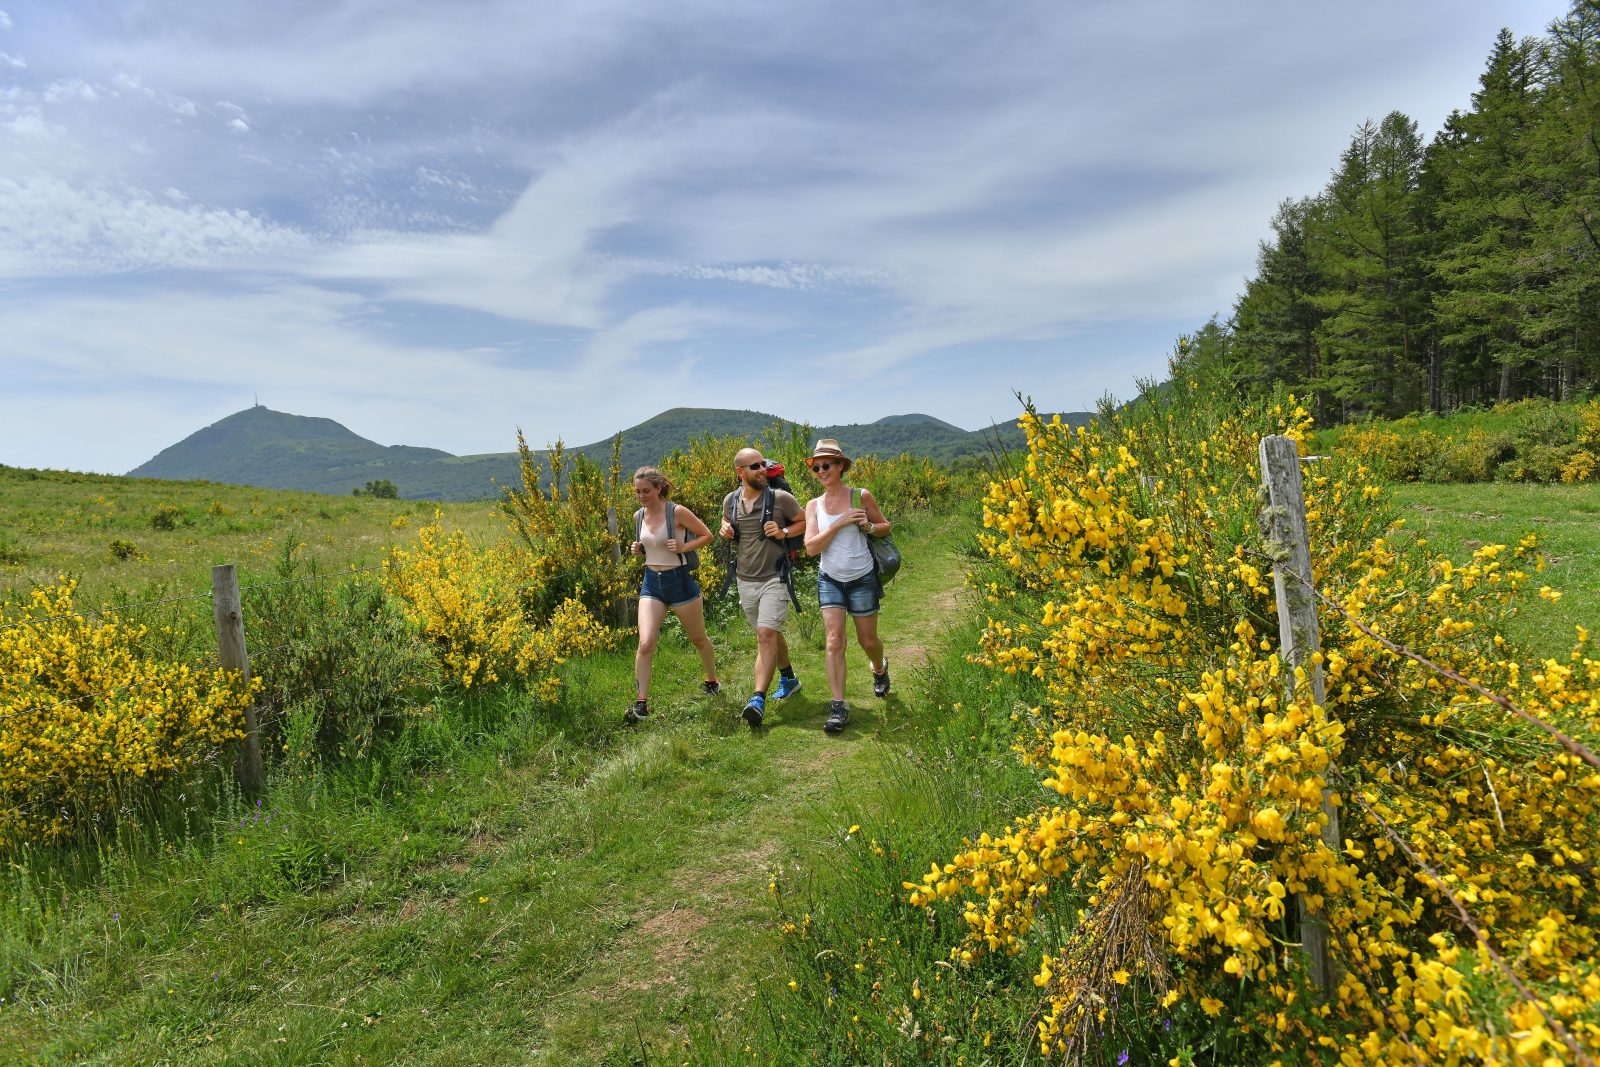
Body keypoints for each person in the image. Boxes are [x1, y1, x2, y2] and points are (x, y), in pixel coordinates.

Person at [801, 439, 891, 734]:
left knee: (868, 641)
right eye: (817, 467)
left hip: (862, 577)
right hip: (830, 580)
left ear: (841, 466)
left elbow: (885, 527)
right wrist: (838, 523)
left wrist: (867, 526)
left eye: (827, 465)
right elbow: (811, 548)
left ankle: (879, 667)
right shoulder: (813, 505)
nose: (821, 471)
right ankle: (838, 705)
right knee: (835, 641)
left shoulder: (860, 496)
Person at [718, 446, 806, 728]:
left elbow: (805, 520)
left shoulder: (781, 498)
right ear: (740, 472)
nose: (761, 470)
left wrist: (785, 532)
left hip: (774, 578)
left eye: (763, 465)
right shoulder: (730, 501)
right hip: (745, 580)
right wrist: (724, 528)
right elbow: (727, 524)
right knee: (769, 633)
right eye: (754, 466)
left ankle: (757, 699)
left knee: (766, 635)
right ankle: (789, 678)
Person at [626, 467, 719, 724]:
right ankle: (641, 703)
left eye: (646, 491)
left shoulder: (676, 512)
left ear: (658, 488)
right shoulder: (638, 516)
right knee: (645, 643)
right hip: (651, 584)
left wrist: (683, 546)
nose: (642, 496)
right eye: (637, 492)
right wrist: (638, 549)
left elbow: (707, 535)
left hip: (679, 581)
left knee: (698, 639)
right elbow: (648, 546)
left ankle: (712, 680)